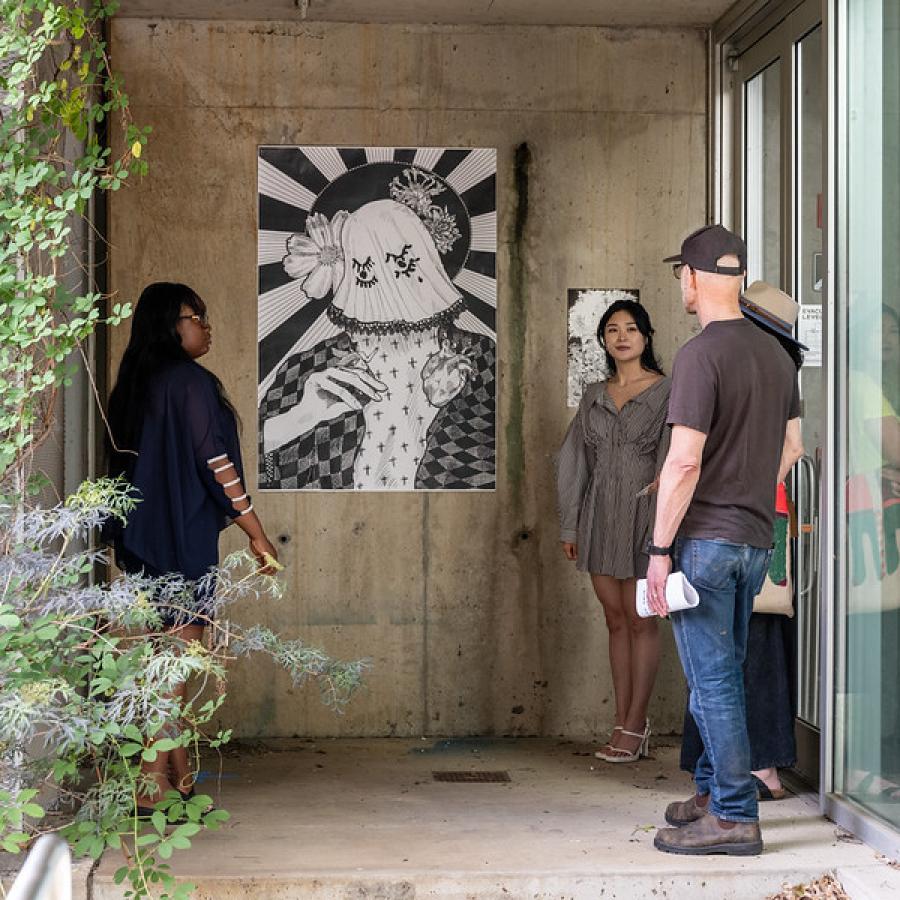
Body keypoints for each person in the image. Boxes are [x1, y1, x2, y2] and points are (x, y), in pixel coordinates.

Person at [646, 226, 801, 856]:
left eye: (679, 273)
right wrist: (748, 491)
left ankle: (735, 815)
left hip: (706, 541)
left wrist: (659, 552)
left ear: (691, 276)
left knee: (711, 681)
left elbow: (682, 465)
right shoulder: (776, 353)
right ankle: (712, 791)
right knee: (727, 671)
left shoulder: (700, 355)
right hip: (754, 539)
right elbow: (790, 447)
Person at [106, 282, 279, 814]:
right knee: (178, 661)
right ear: (170, 324)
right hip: (181, 540)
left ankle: (181, 777)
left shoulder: (134, 385)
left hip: (140, 541)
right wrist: (255, 529)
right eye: (196, 317)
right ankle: (149, 778)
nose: (206, 327)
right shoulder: (189, 383)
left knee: (169, 655)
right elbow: (215, 462)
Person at [679, 281, 806, 803]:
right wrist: (759, 485)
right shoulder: (781, 365)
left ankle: (733, 797)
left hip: (717, 526)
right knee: (741, 656)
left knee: (716, 670)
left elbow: (688, 456)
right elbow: (794, 447)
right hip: (762, 524)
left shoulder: (720, 355)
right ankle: (720, 786)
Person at [557, 299, 671, 763]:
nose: (621, 337)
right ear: (603, 340)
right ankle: (622, 722)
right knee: (615, 619)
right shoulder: (593, 396)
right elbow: (573, 462)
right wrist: (570, 524)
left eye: (630, 328)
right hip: (600, 515)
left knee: (643, 619)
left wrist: (669, 527)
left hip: (648, 517)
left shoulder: (669, 391)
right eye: (611, 330)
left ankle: (636, 725)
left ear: (646, 336)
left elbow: (676, 459)